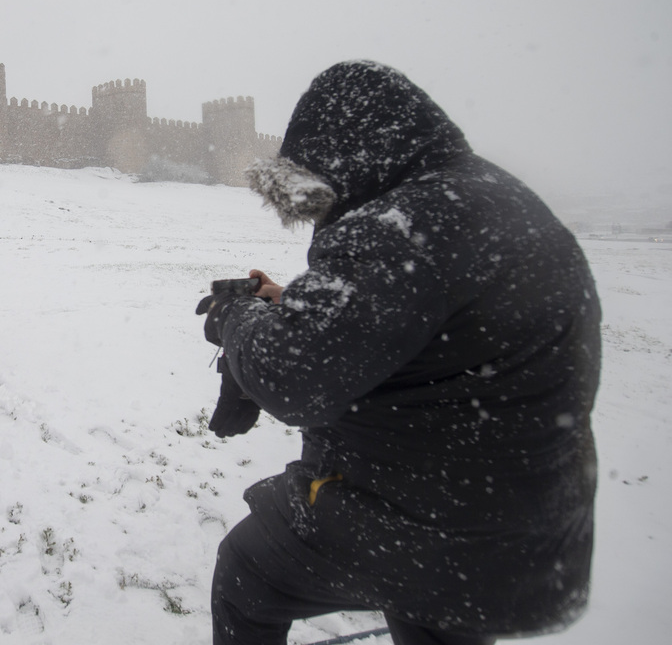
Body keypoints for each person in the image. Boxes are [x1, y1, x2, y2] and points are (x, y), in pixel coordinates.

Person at [198, 61, 600, 645]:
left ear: (339, 153)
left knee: (247, 573)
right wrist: (293, 302)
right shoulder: (488, 199)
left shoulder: (402, 223)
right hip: (526, 534)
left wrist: (235, 317)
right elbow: (429, 319)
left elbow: (293, 378)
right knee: (434, 610)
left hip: (422, 522)